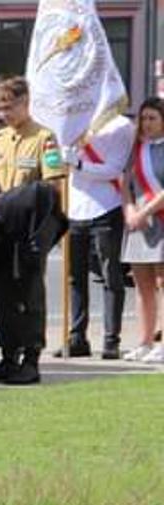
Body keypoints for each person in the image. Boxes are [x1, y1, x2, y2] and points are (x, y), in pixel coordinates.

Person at [0, 76, 67, 382]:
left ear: (26, 102)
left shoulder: (45, 138)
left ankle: (31, 359)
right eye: (0, 108)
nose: (6, 113)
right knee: (2, 294)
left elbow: (54, 185)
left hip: (30, 227)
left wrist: (12, 199)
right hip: (2, 228)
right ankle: (8, 355)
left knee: (30, 294)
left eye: (11, 106)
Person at [65, 97, 136, 358]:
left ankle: (110, 339)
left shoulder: (121, 126)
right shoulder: (72, 123)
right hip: (75, 207)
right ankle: (76, 336)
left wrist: (80, 164)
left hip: (106, 207)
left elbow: (114, 168)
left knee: (110, 276)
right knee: (75, 276)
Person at [124, 97, 164, 364]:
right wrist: (129, 212)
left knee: (162, 283)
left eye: (153, 118)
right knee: (142, 285)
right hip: (138, 222)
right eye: (144, 118)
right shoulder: (137, 147)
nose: (147, 124)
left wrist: (144, 212)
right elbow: (125, 183)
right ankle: (145, 341)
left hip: (158, 217)